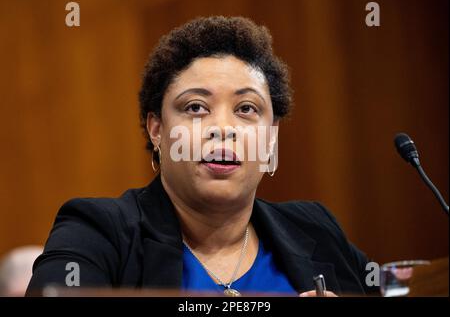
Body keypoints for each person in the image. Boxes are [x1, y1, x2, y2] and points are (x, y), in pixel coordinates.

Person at [27, 16, 376, 297]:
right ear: (157, 129)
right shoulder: (97, 230)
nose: (222, 127)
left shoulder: (316, 228)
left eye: (246, 108)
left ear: (271, 138)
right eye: (195, 107)